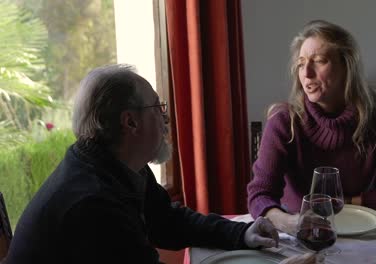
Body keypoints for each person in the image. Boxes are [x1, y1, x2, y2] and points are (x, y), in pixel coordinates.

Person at [5, 64, 317, 264]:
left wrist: (243, 234)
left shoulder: (117, 164)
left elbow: (166, 221)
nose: (165, 117)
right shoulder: (93, 203)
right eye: (158, 107)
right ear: (130, 122)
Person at [247, 20, 376, 234]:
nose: (306, 73)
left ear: (347, 67)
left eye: (318, 61)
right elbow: (260, 195)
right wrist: (288, 222)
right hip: (299, 232)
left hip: (360, 229)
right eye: (301, 63)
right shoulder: (283, 122)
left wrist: (342, 204)